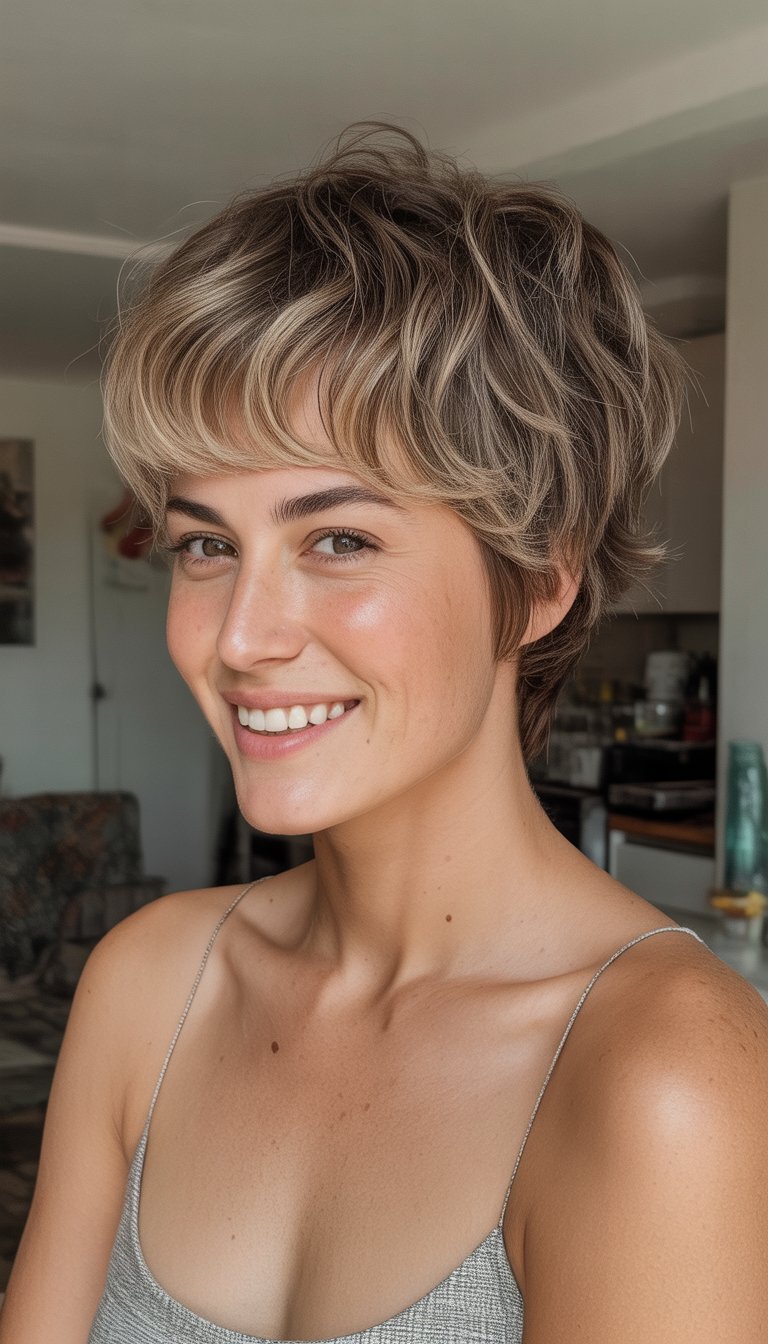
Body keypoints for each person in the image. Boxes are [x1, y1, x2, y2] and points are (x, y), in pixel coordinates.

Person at [3, 125, 767, 1344]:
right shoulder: (148, 986)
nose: (242, 634)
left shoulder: (660, 1076)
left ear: (539, 581)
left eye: (338, 539)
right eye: (208, 543)